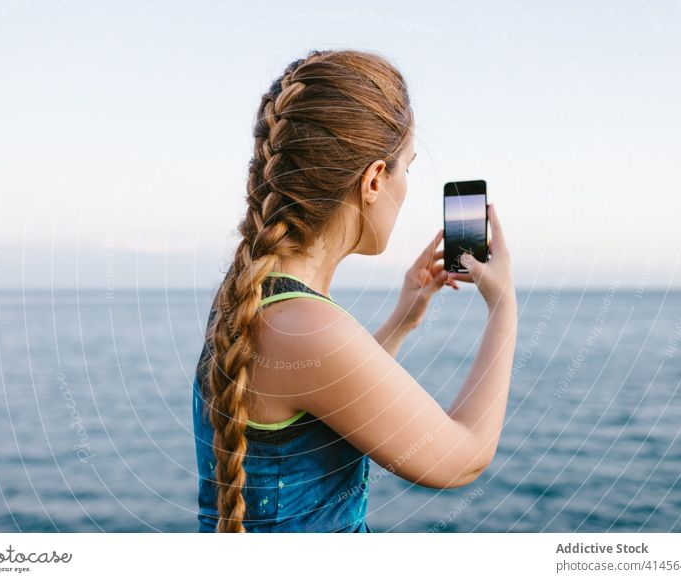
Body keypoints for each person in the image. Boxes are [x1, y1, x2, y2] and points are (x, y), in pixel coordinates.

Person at [192, 49, 517, 533]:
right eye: (406, 168)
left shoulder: (255, 296)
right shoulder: (305, 328)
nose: (406, 187)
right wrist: (504, 304)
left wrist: (401, 321)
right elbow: (463, 459)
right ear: (373, 180)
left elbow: (321, 400)